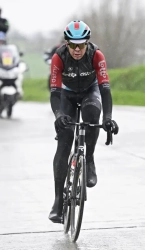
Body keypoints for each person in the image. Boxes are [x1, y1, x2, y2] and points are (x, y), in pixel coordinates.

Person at [48, 20, 119, 223]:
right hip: (67, 96)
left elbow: (105, 89)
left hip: (90, 91)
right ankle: (58, 201)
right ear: (66, 43)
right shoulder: (58, 57)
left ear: (87, 42)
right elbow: (54, 92)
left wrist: (108, 118)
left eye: (81, 45)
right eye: (72, 45)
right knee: (64, 143)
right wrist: (59, 115)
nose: (77, 49)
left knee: (91, 115)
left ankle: (89, 158)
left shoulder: (96, 55)